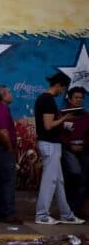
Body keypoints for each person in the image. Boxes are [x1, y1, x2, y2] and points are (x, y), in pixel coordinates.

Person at [34, 72, 85, 225]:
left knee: (59, 181)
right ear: (58, 86)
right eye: (63, 89)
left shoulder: (44, 99)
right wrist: (64, 118)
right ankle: (42, 215)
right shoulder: (47, 100)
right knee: (50, 181)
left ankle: (66, 214)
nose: (63, 92)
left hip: (51, 144)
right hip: (49, 144)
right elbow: (48, 126)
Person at [0, 85, 21, 224]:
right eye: (9, 92)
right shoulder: (1, 109)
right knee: (8, 180)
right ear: (3, 96)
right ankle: (8, 213)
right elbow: (3, 132)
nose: (11, 94)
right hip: (2, 149)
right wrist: (9, 148)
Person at [60, 87, 89, 218]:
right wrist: (70, 145)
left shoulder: (86, 116)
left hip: (84, 151)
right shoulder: (62, 115)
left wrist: (84, 145)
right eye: (76, 97)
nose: (79, 100)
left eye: (81, 98)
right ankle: (69, 210)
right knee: (74, 175)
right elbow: (58, 134)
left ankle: (77, 210)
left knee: (83, 180)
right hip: (68, 150)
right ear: (69, 99)